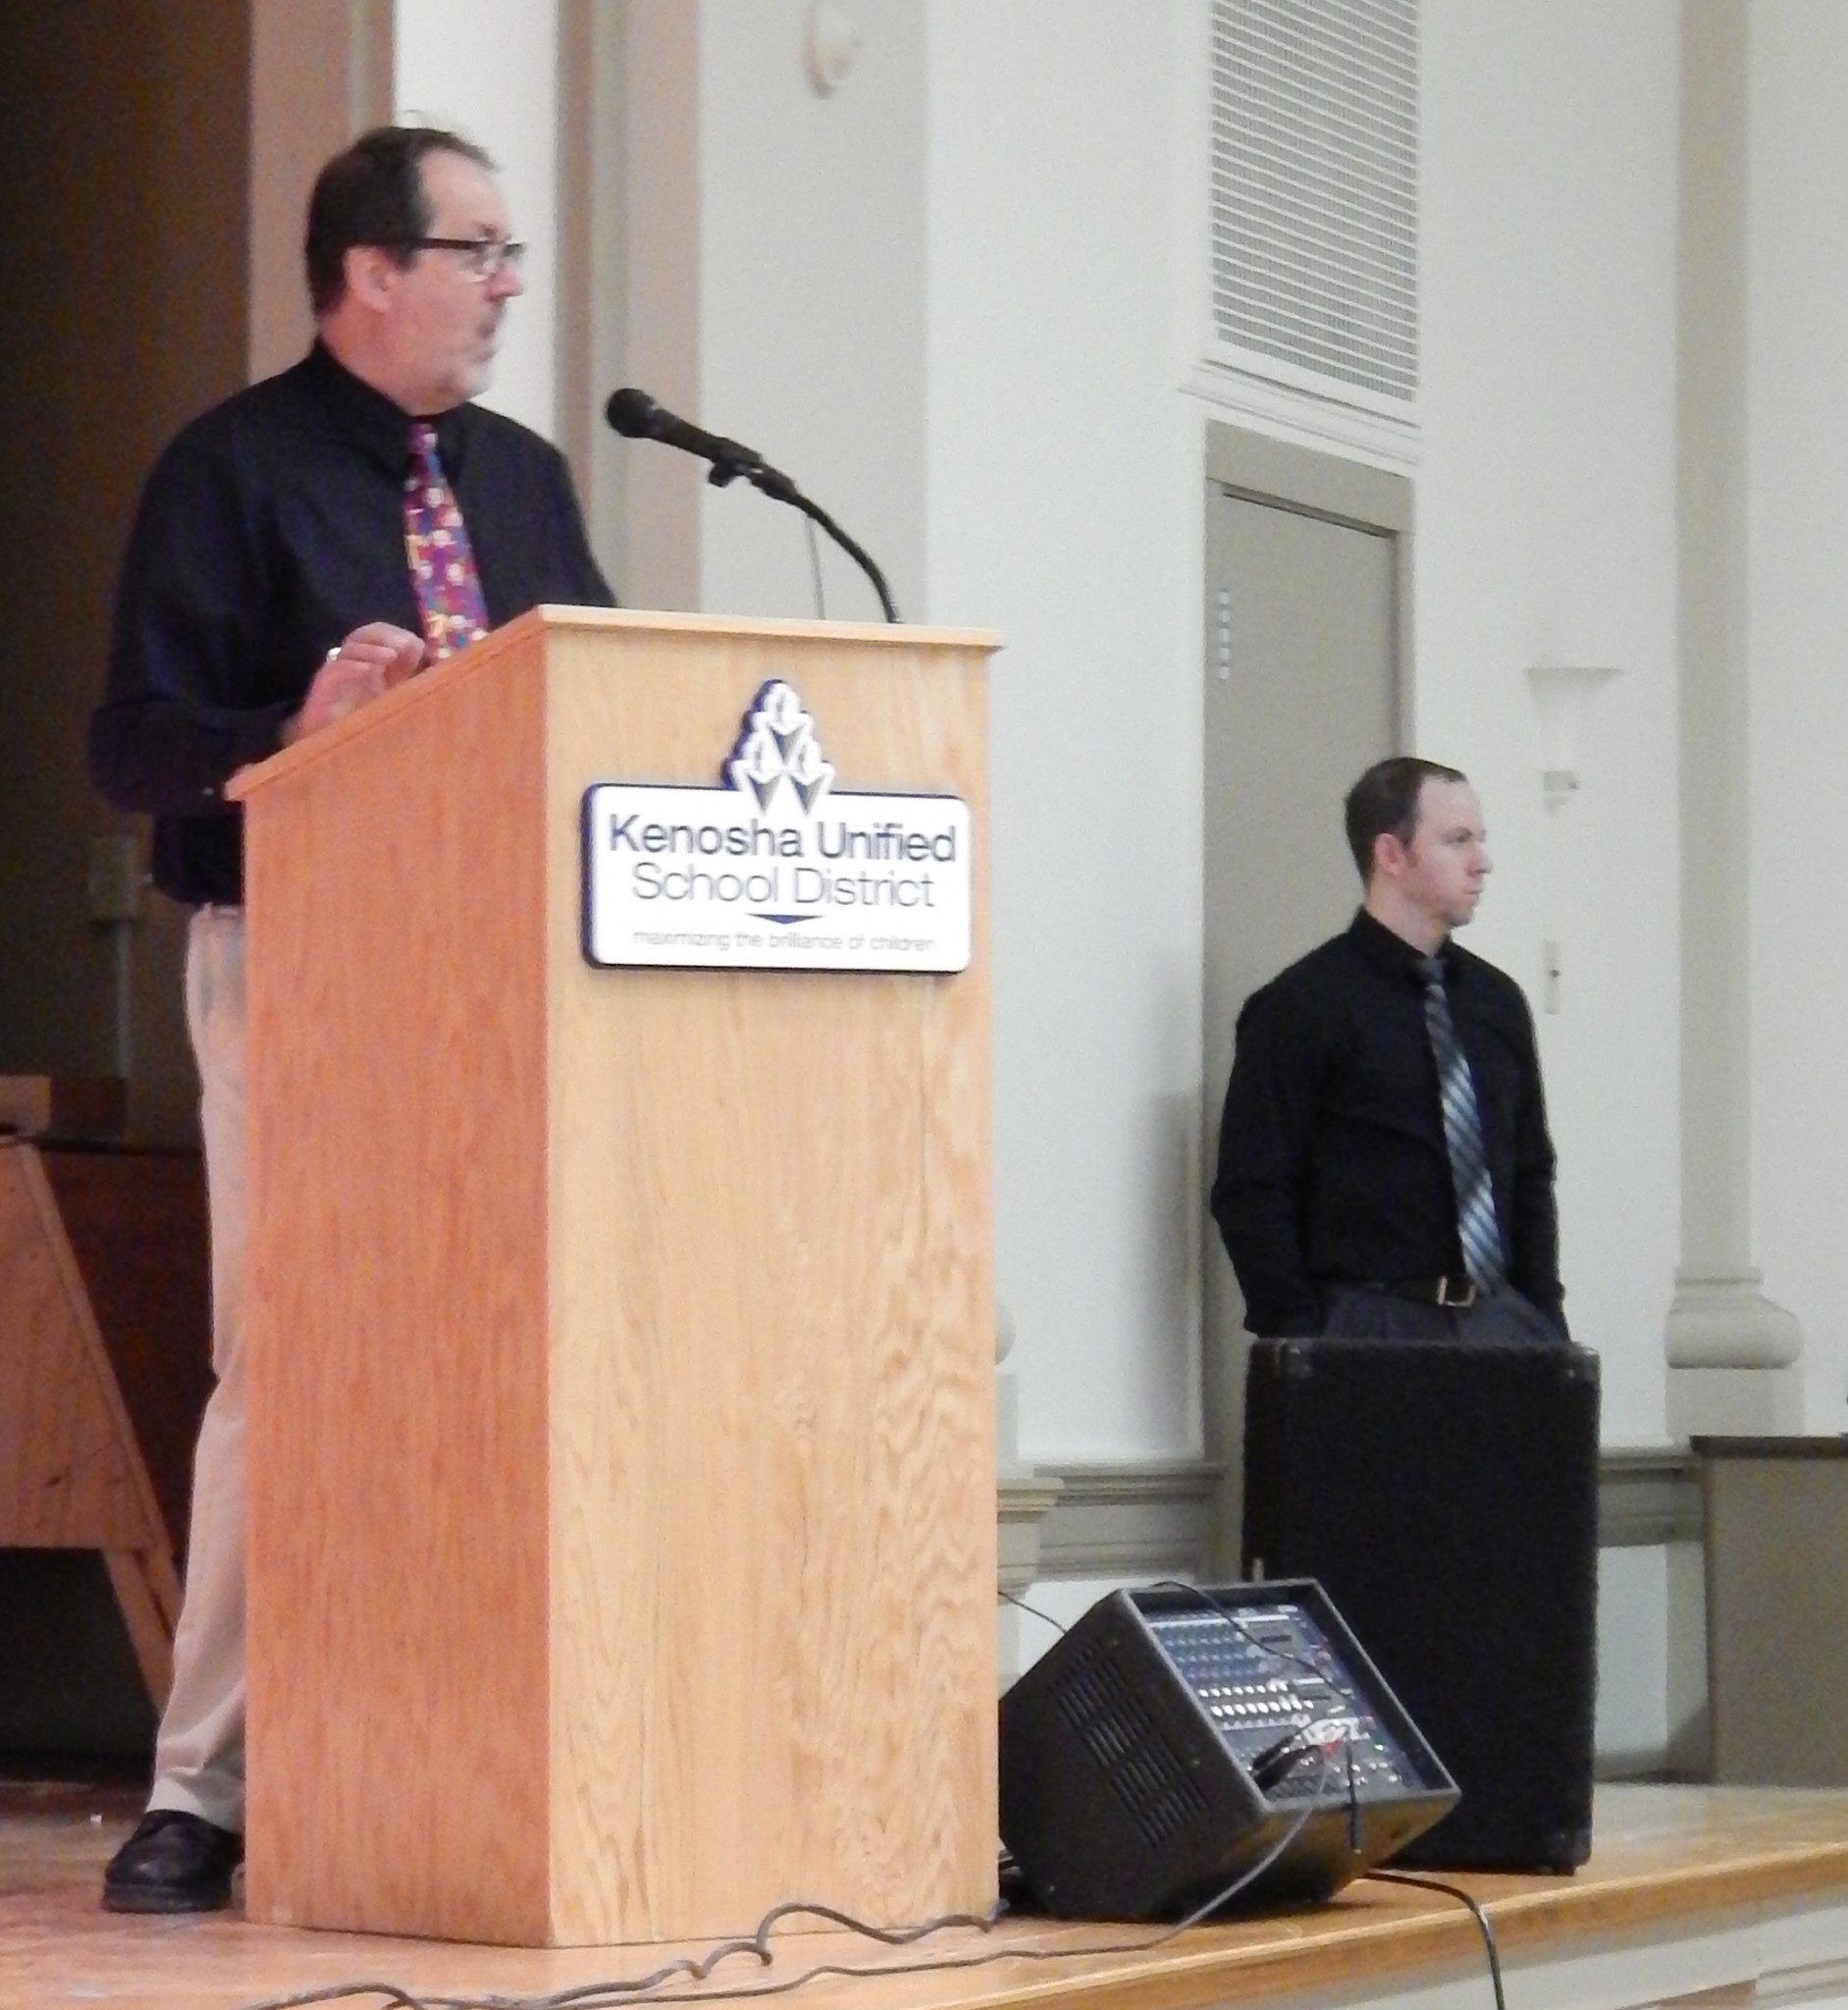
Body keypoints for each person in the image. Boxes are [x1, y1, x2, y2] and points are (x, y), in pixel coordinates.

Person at [87, 124, 614, 1913]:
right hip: (300, 956)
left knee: (512, 1346)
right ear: (370, 272)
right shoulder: (228, 468)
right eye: (479, 251)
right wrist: (295, 734)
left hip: (517, 969)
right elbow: (129, 747)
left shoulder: (525, 480)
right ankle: (207, 1783)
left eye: (510, 252)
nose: (509, 285)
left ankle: (483, 1743)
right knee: (294, 1356)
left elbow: (599, 702)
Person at [1210, 756, 1565, 1346]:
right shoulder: (1302, 1006)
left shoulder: (1495, 1003)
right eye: (1457, 840)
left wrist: (1544, 1321)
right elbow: (1253, 1189)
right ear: (1391, 855)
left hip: (1500, 1323)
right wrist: (1301, 1333)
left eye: (1479, 839)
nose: (1482, 861)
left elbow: (1529, 1171)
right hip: (1368, 1322)